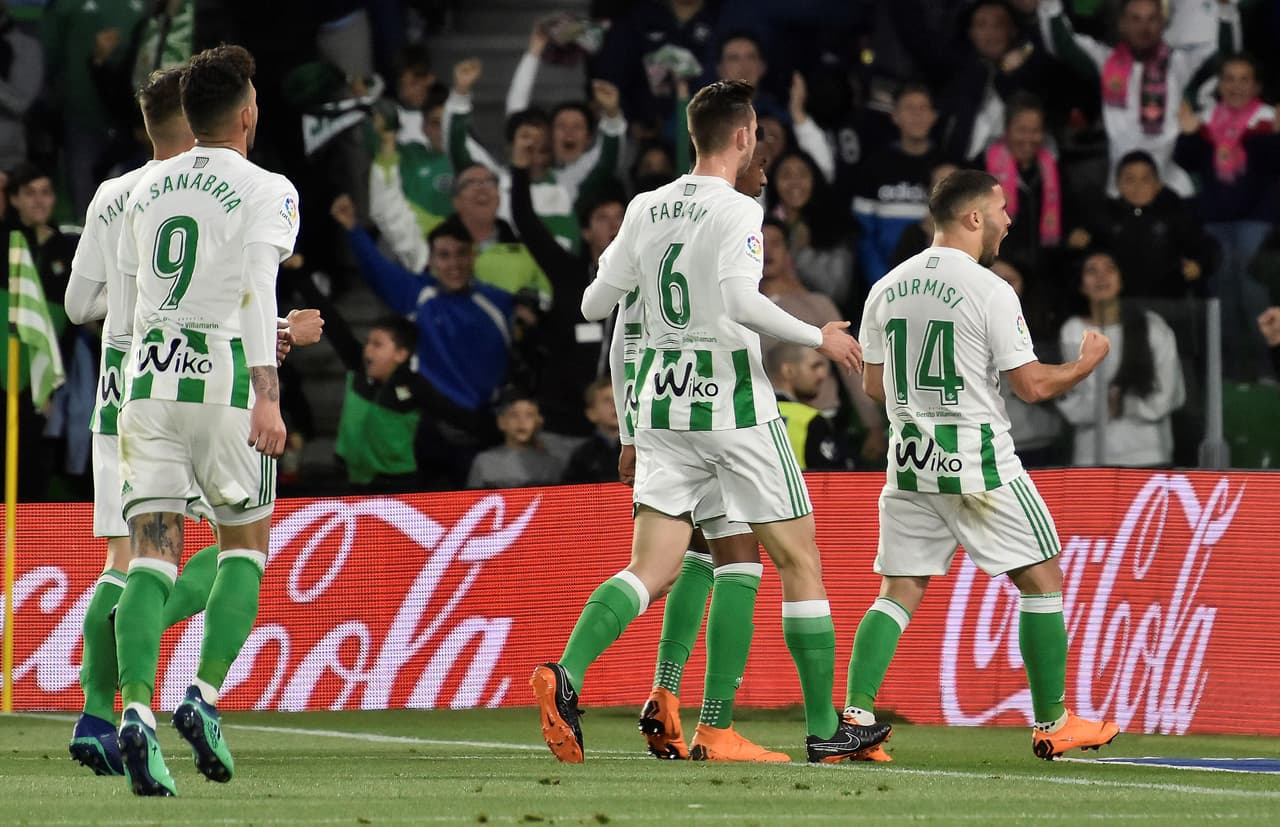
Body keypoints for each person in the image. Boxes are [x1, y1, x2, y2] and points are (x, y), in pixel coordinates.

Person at [533, 79, 891, 765]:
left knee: (656, 566)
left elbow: (592, 304)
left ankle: (568, 675)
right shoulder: (736, 212)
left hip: (664, 411)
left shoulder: (645, 207)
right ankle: (824, 728)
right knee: (800, 559)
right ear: (744, 136)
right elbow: (740, 301)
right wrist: (822, 336)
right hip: (731, 406)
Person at [850, 169, 1120, 760]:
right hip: (977, 464)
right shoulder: (990, 288)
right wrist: (1086, 363)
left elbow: (874, 384)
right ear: (973, 218)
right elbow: (1030, 387)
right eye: (1001, 209)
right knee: (1042, 578)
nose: (1008, 218)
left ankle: (855, 719)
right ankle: (1053, 722)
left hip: (910, 461)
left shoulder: (886, 287)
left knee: (897, 590)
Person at [112, 44, 300, 796]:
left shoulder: (145, 190)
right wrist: (269, 390)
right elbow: (256, 281)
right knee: (244, 548)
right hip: (220, 383)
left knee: (151, 555)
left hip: (147, 385)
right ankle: (204, 696)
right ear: (248, 112)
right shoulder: (267, 188)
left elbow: (128, 305)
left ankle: (135, 712)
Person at [333, 199, 512, 486]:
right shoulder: (416, 294)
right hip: (428, 429)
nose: (453, 264)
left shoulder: (498, 302)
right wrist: (353, 228)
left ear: (473, 256)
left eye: (460, 254)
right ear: (432, 261)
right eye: (444, 255)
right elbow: (377, 268)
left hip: (480, 426)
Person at [1036, 0, 1240, 197]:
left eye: (1152, 19)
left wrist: (1225, 7)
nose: (1144, 28)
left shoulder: (1180, 64)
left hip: (1170, 186)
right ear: (1121, 24)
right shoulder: (1105, 61)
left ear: (1163, 22)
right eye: (1136, 19)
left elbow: (1227, 56)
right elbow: (1061, 43)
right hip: (1120, 189)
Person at [1175, 55, 1280, 380]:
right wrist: (1190, 133)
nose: (1236, 86)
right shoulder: (1207, 121)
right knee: (1220, 296)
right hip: (1215, 221)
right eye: (1230, 79)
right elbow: (1186, 161)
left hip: (1257, 221)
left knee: (1254, 294)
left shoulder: (1267, 119)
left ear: (1257, 86)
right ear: (1220, 85)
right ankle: (1229, 374)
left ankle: (1267, 370)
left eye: (1244, 79)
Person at [1055, 249, 1186, 467]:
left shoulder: (1153, 327)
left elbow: (1170, 394)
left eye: (1109, 269)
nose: (1101, 277)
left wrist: (1125, 405)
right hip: (1091, 456)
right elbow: (1068, 399)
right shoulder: (1072, 330)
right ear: (1081, 285)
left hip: (1148, 454)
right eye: (1091, 271)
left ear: (1122, 279)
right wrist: (1106, 405)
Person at [1067, 150, 1214, 301]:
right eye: (1129, 180)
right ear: (1118, 185)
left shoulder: (1174, 214)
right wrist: (1073, 243)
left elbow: (1208, 248)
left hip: (1168, 304)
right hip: (1120, 306)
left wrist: (1199, 265)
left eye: (1145, 179)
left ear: (1157, 185)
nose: (1138, 186)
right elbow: (1081, 258)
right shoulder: (1105, 216)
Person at [854, 83, 946, 286]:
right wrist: (881, 282)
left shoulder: (947, 165)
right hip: (884, 277)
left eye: (923, 108)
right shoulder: (874, 166)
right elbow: (864, 234)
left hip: (936, 279)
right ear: (895, 116)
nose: (917, 115)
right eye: (909, 108)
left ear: (934, 116)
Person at [332, 315, 431, 489]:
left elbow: (456, 414)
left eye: (377, 344)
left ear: (401, 354)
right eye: (367, 342)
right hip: (348, 480)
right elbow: (333, 324)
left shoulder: (416, 387)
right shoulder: (358, 369)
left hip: (397, 485)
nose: (368, 350)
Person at [767, 343, 850, 470]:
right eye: (814, 366)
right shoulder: (809, 420)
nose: (823, 375)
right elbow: (833, 479)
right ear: (788, 370)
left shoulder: (748, 416)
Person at [467, 392, 564, 488]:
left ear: (538, 422)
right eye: (514, 415)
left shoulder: (551, 464)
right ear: (502, 422)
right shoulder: (484, 461)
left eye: (529, 415)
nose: (522, 422)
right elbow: (472, 501)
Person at [562, 377, 623, 483]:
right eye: (607, 401)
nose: (615, 405)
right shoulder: (582, 456)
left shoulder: (639, 449)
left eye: (618, 398)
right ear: (591, 413)